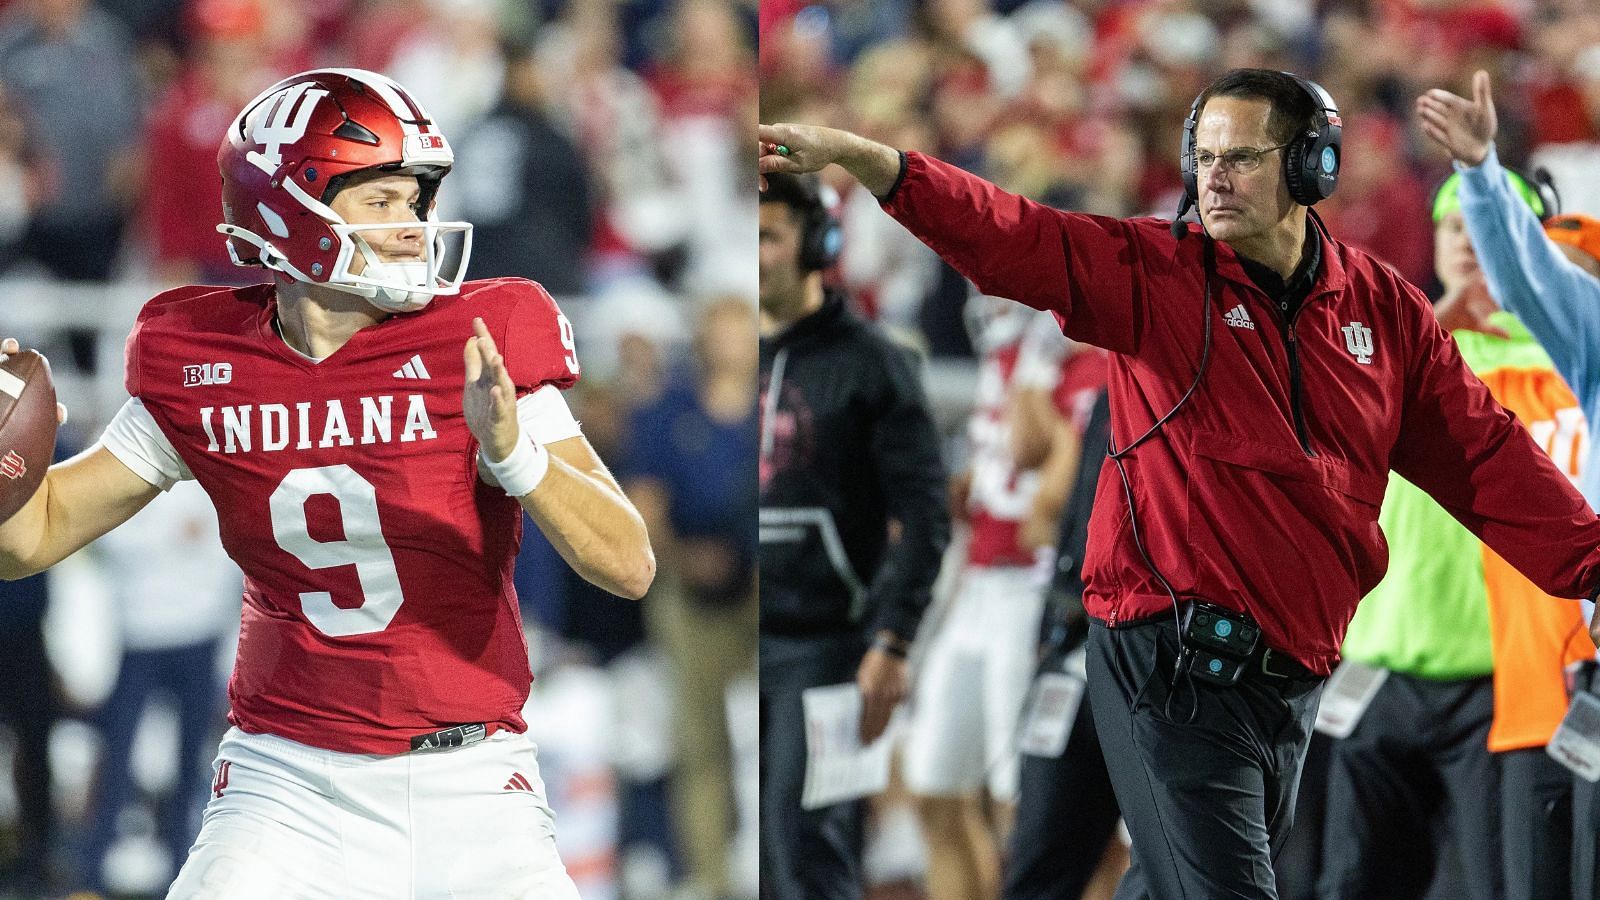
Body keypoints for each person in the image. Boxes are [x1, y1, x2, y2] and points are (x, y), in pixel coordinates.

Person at [761, 67, 1600, 899]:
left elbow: (1487, 457)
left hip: (1290, 683)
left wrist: (1592, 564)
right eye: (1203, 157)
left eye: (1241, 156)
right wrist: (879, 165)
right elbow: (1012, 234)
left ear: (1315, 168)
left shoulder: (1383, 310)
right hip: (1167, 662)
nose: (1215, 178)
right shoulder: (1152, 272)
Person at [0, 67, 654, 899]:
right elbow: (30, 541)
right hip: (287, 785)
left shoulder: (483, 339)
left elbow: (629, 563)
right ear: (287, 211)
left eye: (414, 202)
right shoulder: (204, 359)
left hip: (472, 778)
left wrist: (515, 452)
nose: (414, 226)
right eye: (380, 202)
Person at [1316, 172, 1588, 900]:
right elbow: (1324, 434)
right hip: (1379, 666)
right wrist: (1432, 323)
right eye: (1453, 226)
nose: (1469, 241)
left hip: (1505, 683)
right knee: (1351, 882)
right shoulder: (1392, 351)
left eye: (1490, 226)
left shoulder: (1566, 366)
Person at [1416, 69, 1600, 900]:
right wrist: (1483, 176)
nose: (1575, 286)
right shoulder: (1577, 349)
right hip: (1554, 685)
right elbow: (1528, 279)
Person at [758, 172, 948, 900]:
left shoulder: (875, 363)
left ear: (818, 244)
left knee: (809, 847)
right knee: (760, 855)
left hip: (829, 645)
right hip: (748, 633)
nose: (755, 255)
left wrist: (892, 639)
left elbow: (926, 513)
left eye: (769, 236)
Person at [901, 295, 1062, 900]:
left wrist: (1034, 371)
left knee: (1019, 806)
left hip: (1030, 589)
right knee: (934, 785)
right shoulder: (1006, 357)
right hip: (977, 586)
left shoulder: (1062, 356)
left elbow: (1031, 451)